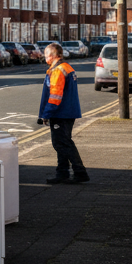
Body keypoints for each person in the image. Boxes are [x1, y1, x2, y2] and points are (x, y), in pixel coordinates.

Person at [39, 42, 88, 184]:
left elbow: (55, 96)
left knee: (62, 143)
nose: (45, 58)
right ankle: (62, 173)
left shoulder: (58, 71)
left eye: (46, 55)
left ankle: (79, 172)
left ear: (52, 55)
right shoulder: (66, 67)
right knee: (62, 142)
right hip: (68, 112)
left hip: (60, 113)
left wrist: (46, 114)